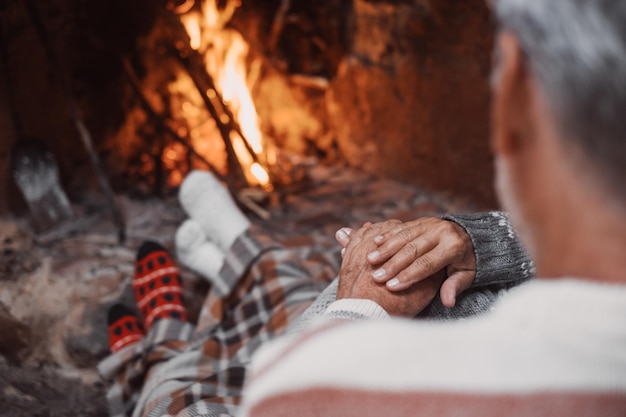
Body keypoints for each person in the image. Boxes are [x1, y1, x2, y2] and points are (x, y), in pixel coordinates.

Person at [238, 0, 626, 415]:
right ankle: (235, 246)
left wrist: (360, 308)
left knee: (384, 279)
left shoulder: (295, 394)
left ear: (514, 96)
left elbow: (295, 390)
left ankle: (243, 250)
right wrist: (485, 241)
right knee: (415, 269)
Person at [98, 170, 531, 417]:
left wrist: (362, 313)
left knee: (166, 397)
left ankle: (160, 342)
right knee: (300, 305)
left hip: (309, 384)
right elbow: (594, 243)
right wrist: (483, 241)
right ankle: (242, 261)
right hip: (331, 336)